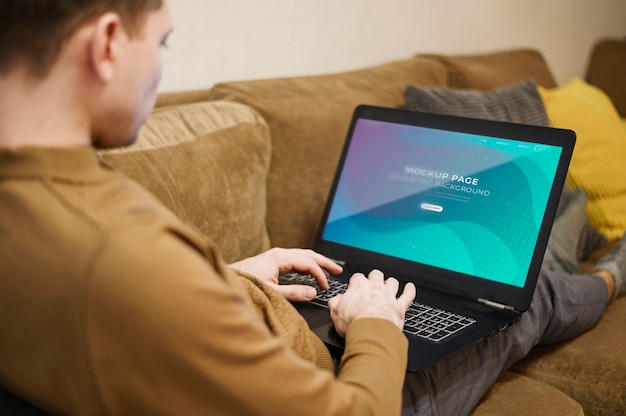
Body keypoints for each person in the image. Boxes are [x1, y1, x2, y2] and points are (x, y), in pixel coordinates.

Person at [0, 1, 623, 415]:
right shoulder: (126, 254)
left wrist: (230, 277)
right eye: (161, 42)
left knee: (516, 271)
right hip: (346, 378)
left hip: (287, 325)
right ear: (107, 44)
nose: (161, 69)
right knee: (524, 298)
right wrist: (376, 323)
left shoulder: (41, 208)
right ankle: (611, 274)